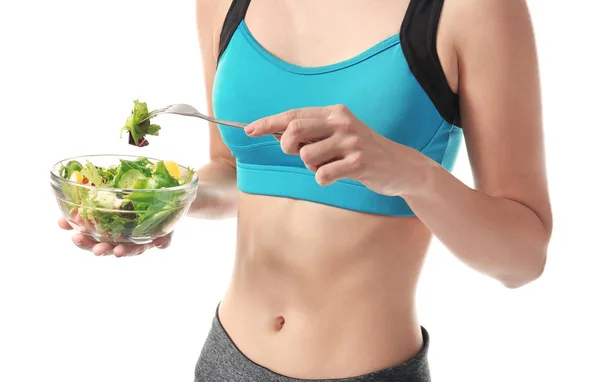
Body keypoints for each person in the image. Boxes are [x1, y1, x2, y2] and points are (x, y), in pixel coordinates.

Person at [58, 0, 553, 380]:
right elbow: (234, 170)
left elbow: (523, 259)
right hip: (227, 360)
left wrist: (411, 173)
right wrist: (159, 205)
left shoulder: (472, 9)